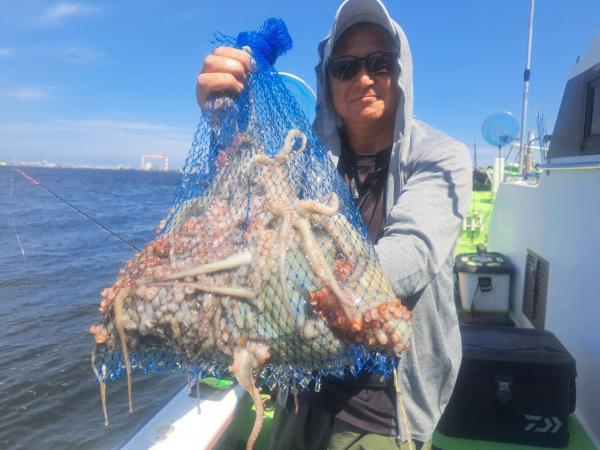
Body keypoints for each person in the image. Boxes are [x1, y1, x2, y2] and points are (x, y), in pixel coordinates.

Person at [196, 0, 472, 448]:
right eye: (345, 67)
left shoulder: (441, 155)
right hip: (303, 389)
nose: (364, 78)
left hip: (382, 408)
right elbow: (245, 202)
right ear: (327, 81)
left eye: (380, 63)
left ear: (400, 70)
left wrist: (287, 284)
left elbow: (409, 258)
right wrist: (222, 119)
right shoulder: (305, 157)